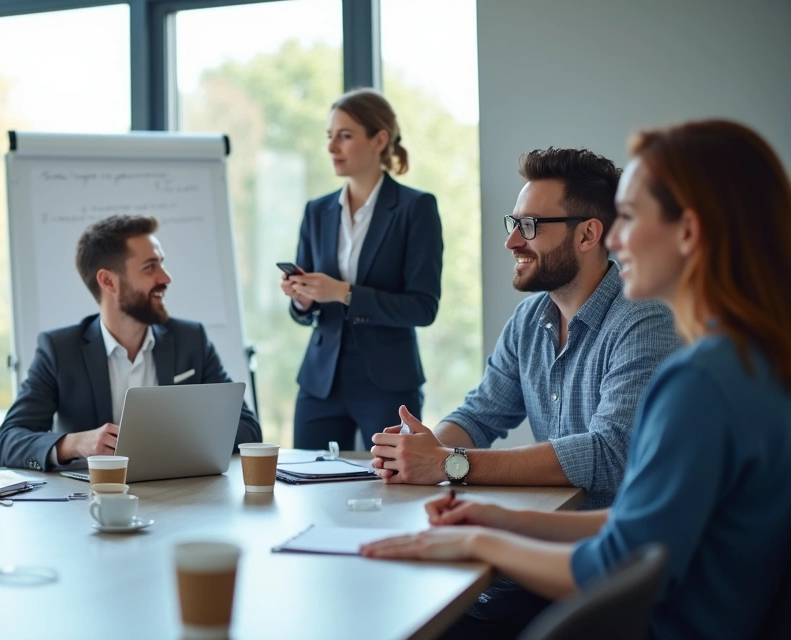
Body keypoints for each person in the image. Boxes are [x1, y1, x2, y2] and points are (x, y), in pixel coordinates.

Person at [361, 120, 791, 639]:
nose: (618, 237)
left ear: (689, 231)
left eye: (629, 218)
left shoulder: (699, 380)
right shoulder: (754, 357)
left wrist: (478, 535)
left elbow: (619, 555)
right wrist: (493, 517)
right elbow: (640, 526)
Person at [368, 147, 681, 634]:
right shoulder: (531, 319)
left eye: (530, 226)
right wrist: (424, 447)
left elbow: (609, 453)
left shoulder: (642, 319)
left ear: (587, 234)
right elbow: (480, 414)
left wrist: (450, 463)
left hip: (605, 572)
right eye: (513, 223)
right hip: (544, 546)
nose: (512, 240)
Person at [0, 215, 261, 471]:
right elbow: (7, 442)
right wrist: (75, 443)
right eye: (150, 267)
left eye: (162, 264)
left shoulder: (191, 340)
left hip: (183, 497)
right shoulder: (60, 350)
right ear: (108, 281)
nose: (166, 278)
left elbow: (248, 428)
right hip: (91, 505)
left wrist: (173, 441)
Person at [283, 88, 443, 451]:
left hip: (387, 383)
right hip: (320, 382)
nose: (332, 147)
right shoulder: (316, 211)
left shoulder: (415, 208)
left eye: (345, 135)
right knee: (307, 487)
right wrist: (303, 300)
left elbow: (423, 307)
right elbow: (305, 309)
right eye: (329, 137)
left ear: (379, 140)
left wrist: (343, 292)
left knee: (391, 488)